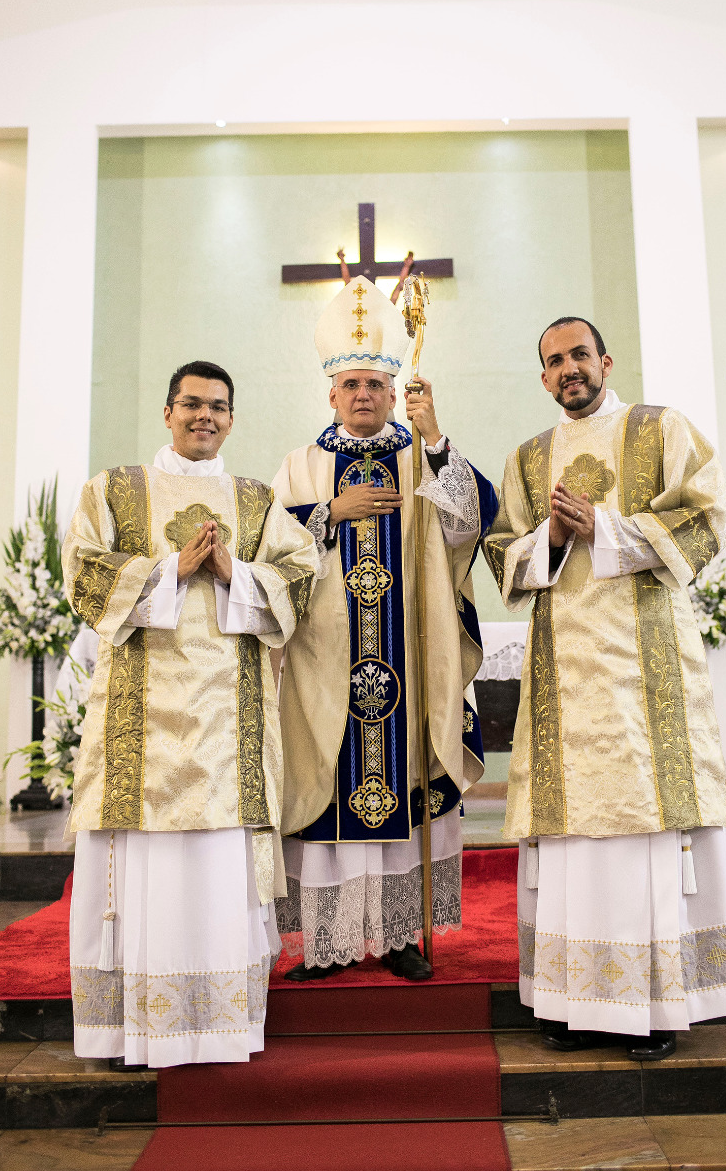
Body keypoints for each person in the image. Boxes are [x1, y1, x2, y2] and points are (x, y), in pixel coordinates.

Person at [484, 317, 726, 1060]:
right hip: (563, 676)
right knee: (572, 836)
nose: (567, 369)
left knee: (643, 824)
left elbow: (707, 522)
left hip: (645, 673)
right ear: (543, 378)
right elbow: (501, 549)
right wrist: (549, 537)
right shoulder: (528, 457)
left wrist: (602, 527)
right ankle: (573, 999)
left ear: (604, 361)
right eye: (553, 362)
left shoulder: (661, 428)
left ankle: (655, 1004)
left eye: (578, 355)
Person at [63, 360, 320, 1067]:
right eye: (191, 405)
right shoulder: (113, 489)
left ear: (231, 419)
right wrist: (171, 571)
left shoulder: (258, 500)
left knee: (211, 869)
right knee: (147, 864)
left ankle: (218, 1025)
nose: (204, 416)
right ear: (168, 412)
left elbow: (302, 580)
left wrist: (234, 572)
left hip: (225, 727)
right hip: (137, 727)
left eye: (217, 407)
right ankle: (131, 1028)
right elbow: (83, 576)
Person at [272, 277, 497, 980]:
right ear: (331, 393)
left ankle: (399, 936)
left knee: (408, 783)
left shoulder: (419, 456)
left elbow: (469, 524)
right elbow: (265, 553)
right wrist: (329, 514)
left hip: (409, 656)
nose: (364, 394)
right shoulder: (299, 465)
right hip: (324, 665)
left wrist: (435, 440)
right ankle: (330, 941)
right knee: (326, 791)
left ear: (393, 389)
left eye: (375, 382)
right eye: (352, 384)